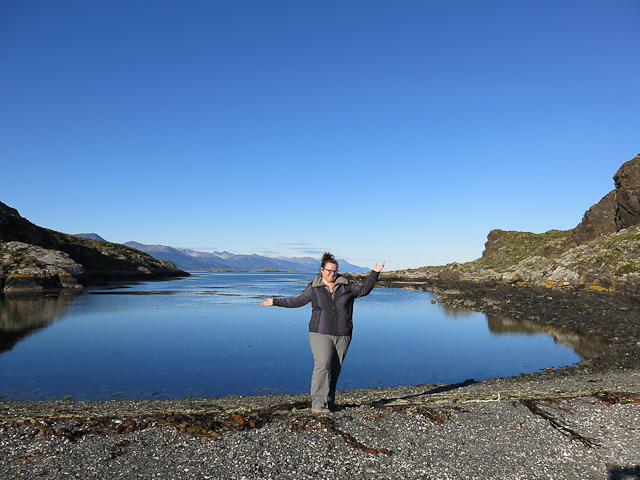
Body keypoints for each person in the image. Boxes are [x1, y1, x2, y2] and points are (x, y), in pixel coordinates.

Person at [260, 252, 385, 413]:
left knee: (334, 369)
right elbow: (296, 301)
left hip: (343, 334)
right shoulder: (314, 288)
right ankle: (318, 404)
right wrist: (275, 302)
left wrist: (374, 273)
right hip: (320, 332)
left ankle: (329, 403)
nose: (332, 274)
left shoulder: (346, 287)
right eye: (329, 270)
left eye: (334, 271)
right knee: (323, 364)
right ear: (322, 269)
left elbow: (364, 290)